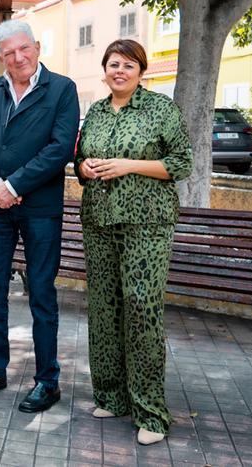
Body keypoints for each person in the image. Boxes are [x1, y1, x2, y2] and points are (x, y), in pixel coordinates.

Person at [75, 39, 192, 446]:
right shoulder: (96, 112)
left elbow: (181, 162)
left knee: (142, 309)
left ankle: (151, 413)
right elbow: (80, 160)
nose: (119, 71)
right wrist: (85, 168)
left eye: (127, 65)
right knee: (104, 308)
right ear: (104, 70)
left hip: (146, 224)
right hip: (100, 222)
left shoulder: (161, 110)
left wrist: (131, 166)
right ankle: (112, 395)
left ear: (141, 71)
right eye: (112, 64)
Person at [0, 20, 78, 413]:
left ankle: (48, 380)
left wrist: (13, 185)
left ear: (37, 47)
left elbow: (60, 148)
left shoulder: (62, 89)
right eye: (9, 52)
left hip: (40, 210)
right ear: (0, 57)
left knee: (42, 295)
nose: (18, 58)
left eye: (23, 49)